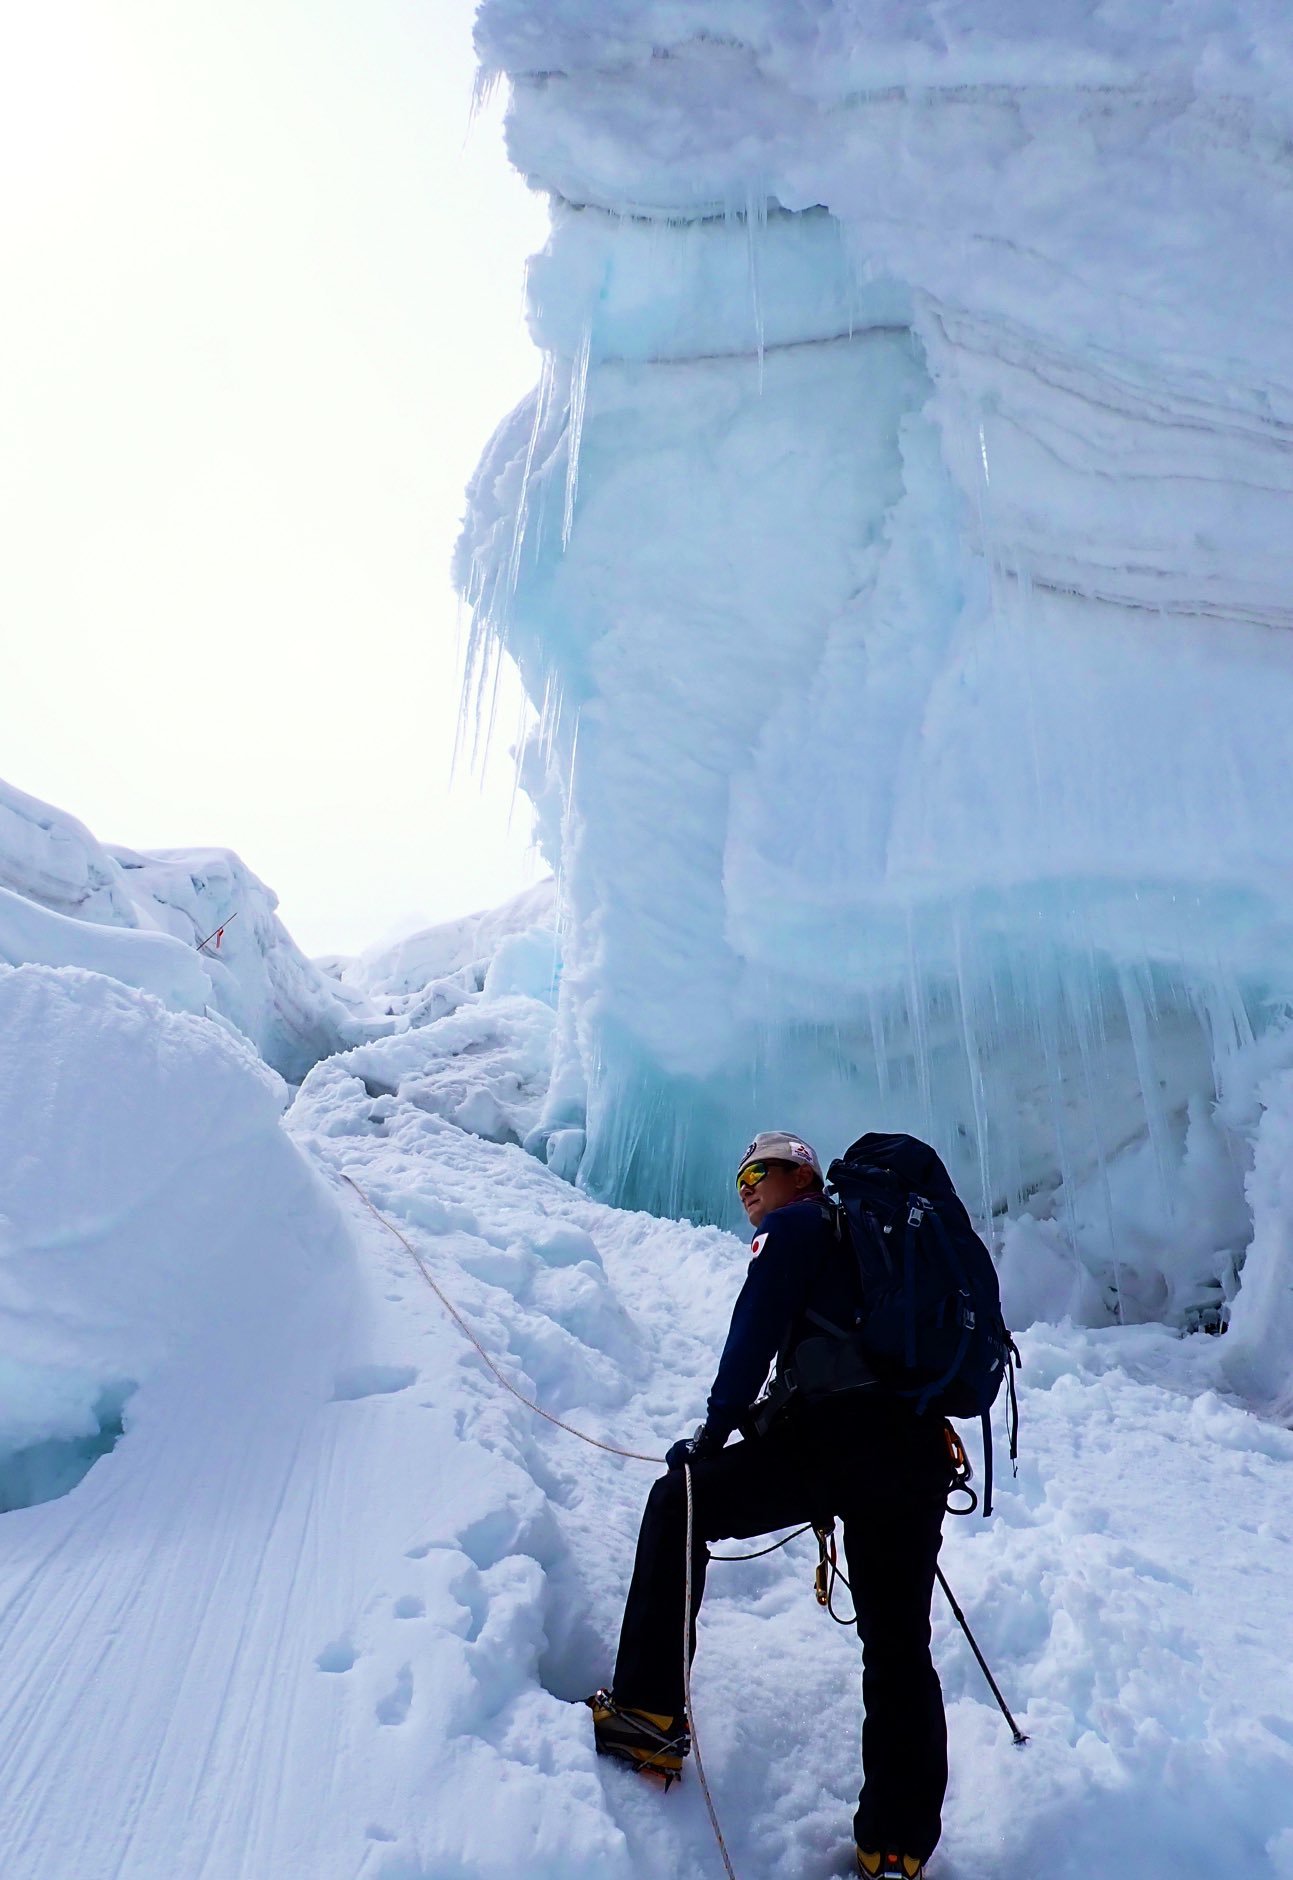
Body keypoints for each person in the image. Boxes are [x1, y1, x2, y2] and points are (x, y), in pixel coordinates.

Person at [586, 1131, 952, 1880]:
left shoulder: (797, 1227)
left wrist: (715, 1431)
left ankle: (646, 1718)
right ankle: (897, 1845)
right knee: (897, 1645)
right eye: (740, 1178)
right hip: (913, 1455)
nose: (747, 1186)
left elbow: (752, 1334)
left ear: (803, 1177)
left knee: (680, 1501)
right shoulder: (874, 1242)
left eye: (761, 1170)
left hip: (835, 1443)